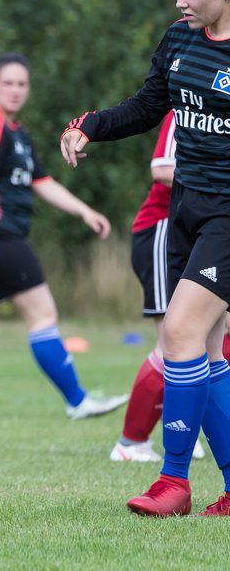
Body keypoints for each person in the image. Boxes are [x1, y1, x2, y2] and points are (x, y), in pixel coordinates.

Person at [61, 0, 230, 516]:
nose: (180, 3)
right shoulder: (179, 41)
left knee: (180, 332)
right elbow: (146, 105)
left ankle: (172, 482)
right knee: (206, 352)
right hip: (186, 210)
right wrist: (90, 126)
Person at [0, 53, 127, 422]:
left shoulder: (17, 133)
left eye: (22, 84)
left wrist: (84, 211)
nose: (15, 91)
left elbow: (42, 183)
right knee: (43, 312)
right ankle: (78, 401)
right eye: (8, 84)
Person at [111, 110, 217, 462]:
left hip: (203, 236)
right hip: (161, 229)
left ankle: (192, 425)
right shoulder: (186, 107)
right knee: (172, 339)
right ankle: (130, 443)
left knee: (214, 336)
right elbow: (161, 167)